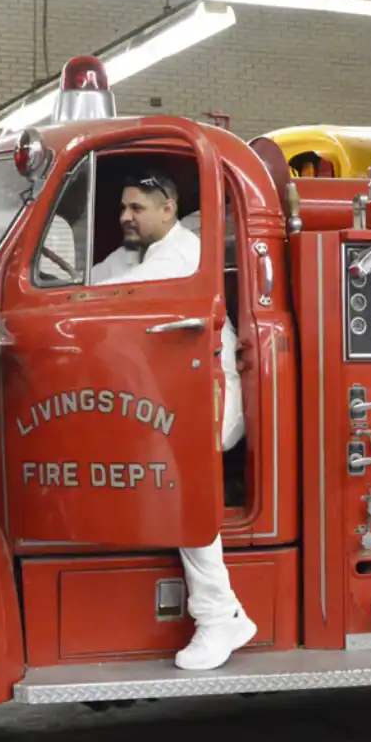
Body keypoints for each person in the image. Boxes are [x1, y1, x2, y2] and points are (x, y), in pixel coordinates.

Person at [91, 171, 256, 672]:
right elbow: (90, 282)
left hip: (212, 398)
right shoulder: (137, 254)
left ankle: (220, 615)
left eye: (137, 208)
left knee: (181, 484)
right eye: (123, 207)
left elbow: (113, 296)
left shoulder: (182, 254)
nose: (125, 217)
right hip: (175, 393)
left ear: (168, 210)